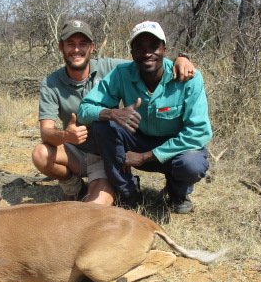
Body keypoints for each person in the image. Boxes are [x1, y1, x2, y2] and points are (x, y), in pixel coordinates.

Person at [31, 19, 195, 205]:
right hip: (74, 151)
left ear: (92, 47)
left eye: (83, 44)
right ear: (61, 47)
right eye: (71, 44)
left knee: (95, 207)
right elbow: (46, 133)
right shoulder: (51, 83)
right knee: (40, 154)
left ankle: (114, 185)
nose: (76, 50)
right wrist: (66, 135)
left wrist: (181, 59)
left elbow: (148, 59)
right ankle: (74, 186)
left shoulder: (112, 68)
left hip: (104, 156)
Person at [78, 21, 212, 214]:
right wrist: (112, 112)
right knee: (103, 127)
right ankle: (128, 192)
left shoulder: (189, 78)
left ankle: (177, 193)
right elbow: (84, 109)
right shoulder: (122, 73)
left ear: (164, 49)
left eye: (154, 46)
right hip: (138, 139)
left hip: (174, 148)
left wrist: (144, 157)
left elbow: (198, 132)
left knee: (192, 163)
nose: (147, 53)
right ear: (132, 53)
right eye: (139, 47)